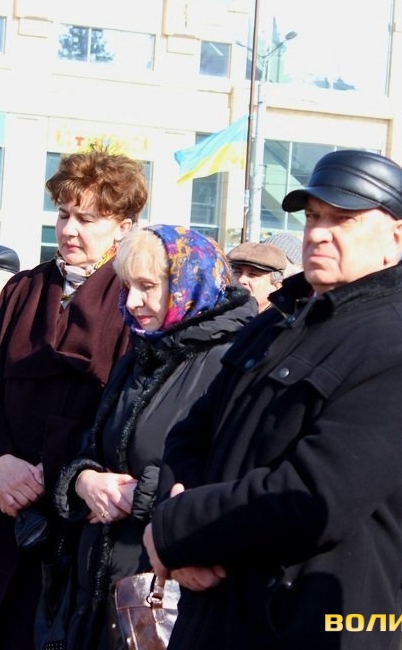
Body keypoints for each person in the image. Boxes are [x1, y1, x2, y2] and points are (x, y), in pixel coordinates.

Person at [142, 150, 402, 649]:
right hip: (216, 612)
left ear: (397, 236)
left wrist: (178, 529)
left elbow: (312, 498)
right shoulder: (275, 321)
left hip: (304, 626)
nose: (319, 233)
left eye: (343, 219)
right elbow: (192, 434)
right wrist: (183, 536)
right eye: (314, 217)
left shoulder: (395, 351)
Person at [0, 148, 147, 650]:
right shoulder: (23, 289)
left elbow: (126, 413)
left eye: (87, 219)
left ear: (122, 227)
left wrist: (57, 476)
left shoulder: (133, 299)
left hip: (74, 526)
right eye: (63, 215)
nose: (69, 230)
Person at [54, 225, 256, 649]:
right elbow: (95, 444)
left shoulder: (230, 361)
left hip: (168, 589)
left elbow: (229, 470)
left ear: (188, 284)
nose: (132, 301)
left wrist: (141, 495)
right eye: (128, 287)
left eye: (147, 286)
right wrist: (84, 481)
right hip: (102, 585)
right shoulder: (142, 354)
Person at [226, 241, 287, 312]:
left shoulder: (281, 317)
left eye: (253, 274)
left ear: (277, 286)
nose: (241, 280)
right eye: (237, 272)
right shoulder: (219, 313)